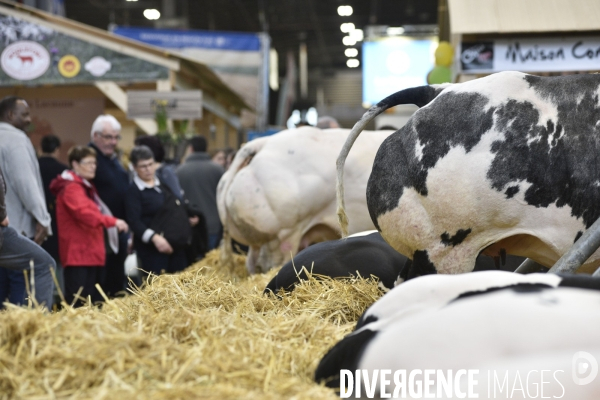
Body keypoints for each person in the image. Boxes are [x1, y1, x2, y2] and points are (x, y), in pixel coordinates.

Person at [50, 146, 129, 307]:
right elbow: (85, 214)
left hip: (88, 252)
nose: (93, 166)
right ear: (75, 164)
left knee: (89, 302)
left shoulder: (84, 186)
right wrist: (113, 222)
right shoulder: (72, 187)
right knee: (79, 303)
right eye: (88, 163)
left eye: (95, 163)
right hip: (79, 254)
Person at [0, 96, 52, 307]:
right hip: (16, 228)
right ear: (10, 115)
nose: (29, 119)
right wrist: (43, 217)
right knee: (29, 280)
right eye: (25, 114)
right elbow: (25, 182)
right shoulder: (16, 140)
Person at [125, 145, 197, 277]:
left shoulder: (162, 185)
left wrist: (187, 217)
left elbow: (174, 206)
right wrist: (155, 238)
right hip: (152, 250)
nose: (148, 169)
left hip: (175, 245)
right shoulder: (133, 191)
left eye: (150, 164)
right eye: (143, 166)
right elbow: (134, 221)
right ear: (134, 168)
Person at [89, 115, 130, 297]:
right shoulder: (90, 159)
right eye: (108, 137)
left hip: (118, 229)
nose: (113, 142)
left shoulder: (112, 159)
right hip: (101, 231)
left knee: (116, 279)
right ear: (95, 136)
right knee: (103, 283)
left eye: (116, 137)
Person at [177, 136, 225, 250]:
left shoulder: (179, 171)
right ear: (206, 148)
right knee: (211, 262)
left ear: (191, 149)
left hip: (189, 224)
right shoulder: (218, 170)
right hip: (214, 223)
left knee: (193, 264)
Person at [38, 135, 68, 301]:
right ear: (57, 150)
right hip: (59, 222)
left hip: (36, 221)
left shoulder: (34, 166)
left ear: (41, 148)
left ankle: (43, 300)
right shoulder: (63, 171)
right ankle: (62, 300)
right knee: (60, 263)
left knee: (40, 263)